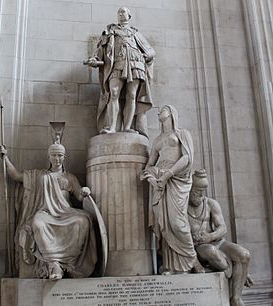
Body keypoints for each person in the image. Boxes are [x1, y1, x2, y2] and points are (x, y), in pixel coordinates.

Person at [0, 143, 97, 280]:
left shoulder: (69, 177)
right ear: (49, 157)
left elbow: (79, 196)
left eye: (60, 156)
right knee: (37, 223)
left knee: (83, 221)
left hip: (66, 213)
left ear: (64, 158)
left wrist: (84, 191)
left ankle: (67, 263)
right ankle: (53, 263)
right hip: (45, 213)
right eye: (54, 155)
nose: (57, 158)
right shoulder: (39, 176)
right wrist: (5, 158)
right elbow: (16, 176)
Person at [141, 105, 202, 274]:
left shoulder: (182, 134)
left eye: (164, 109)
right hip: (161, 183)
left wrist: (167, 174)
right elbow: (149, 165)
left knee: (177, 223)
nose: (160, 111)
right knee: (165, 224)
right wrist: (152, 178)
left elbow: (187, 157)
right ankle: (173, 267)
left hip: (177, 179)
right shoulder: (158, 140)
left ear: (172, 114)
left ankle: (191, 259)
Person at [86, 7, 155, 137]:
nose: (120, 13)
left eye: (123, 11)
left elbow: (150, 50)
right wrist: (95, 59)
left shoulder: (135, 33)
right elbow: (101, 49)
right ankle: (112, 127)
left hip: (135, 64)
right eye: (119, 12)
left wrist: (147, 56)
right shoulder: (110, 31)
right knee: (114, 93)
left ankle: (128, 127)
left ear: (129, 16)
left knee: (132, 95)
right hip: (116, 64)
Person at [188, 169, 252, 306]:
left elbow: (223, 227)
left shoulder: (211, 204)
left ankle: (235, 298)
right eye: (196, 191)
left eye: (202, 192)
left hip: (216, 241)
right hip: (199, 247)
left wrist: (210, 236)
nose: (200, 195)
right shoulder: (181, 207)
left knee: (244, 254)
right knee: (210, 250)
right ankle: (238, 271)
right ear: (189, 188)